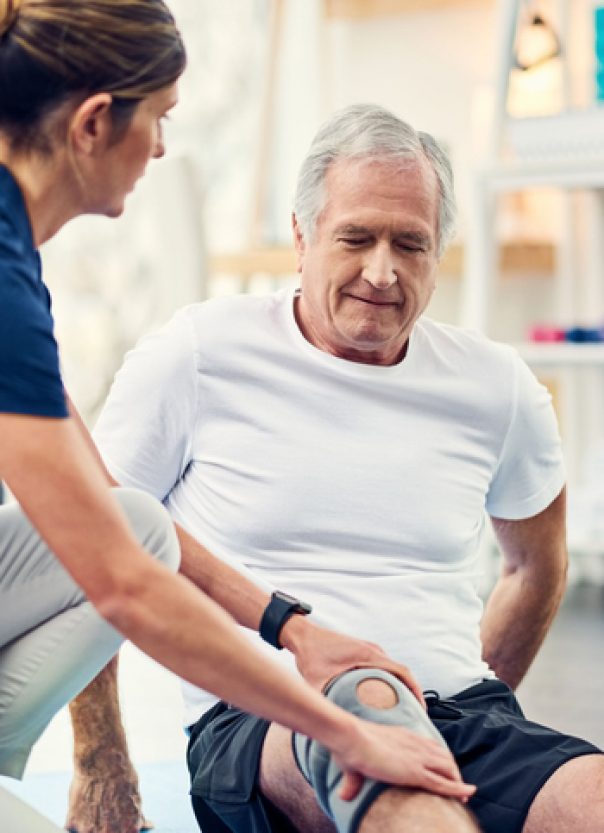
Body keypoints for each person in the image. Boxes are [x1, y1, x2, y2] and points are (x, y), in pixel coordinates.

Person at [0, 4, 472, 831]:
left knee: (138, 519)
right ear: (93, 124)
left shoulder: (14, 254)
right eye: (160, 119)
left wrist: (288, 626)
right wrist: (342, 731)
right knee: (130, 539)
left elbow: (100, 503)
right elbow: (120, 582)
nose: (162, 148)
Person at [86, 102, 604, 833]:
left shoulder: (498, 385)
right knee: (386, 750)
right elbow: (89, 537)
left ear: (441, 249)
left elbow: (534, 566)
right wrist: (101, 762)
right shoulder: (199, 354)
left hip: (460, 710)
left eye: (412, 244)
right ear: (302, 236)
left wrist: (452, 703)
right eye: (355, 237)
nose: (383, 271)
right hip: (262, 726)